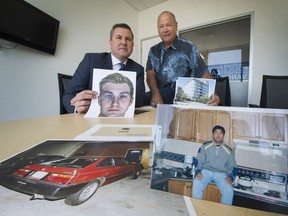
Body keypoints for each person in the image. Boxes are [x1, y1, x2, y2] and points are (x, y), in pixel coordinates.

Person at [63, 23, 145, 114]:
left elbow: (139, 99)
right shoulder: (91, 60)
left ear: (132, 45)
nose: (124, 42)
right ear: (110, 43)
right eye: (118, 38)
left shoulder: (138, 69)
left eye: (128, 39)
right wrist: (76, 108)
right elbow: (69, 95)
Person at [144, 11, 220, 107]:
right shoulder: (153, 50)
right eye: (161, 26)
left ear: (176, 26)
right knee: (137, 100)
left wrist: (213, 94)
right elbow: (150, 75)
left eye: (169, 25)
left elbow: (203, 73)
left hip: (182, 96)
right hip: (160, 93)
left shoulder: (188, 47)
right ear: (158, 29)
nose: (165, 29)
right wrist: (155, 94)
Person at [192, 125, 236, 205]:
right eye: (216, 133)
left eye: (221, 133)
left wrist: (230, 176)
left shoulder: (229, 151)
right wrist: (198, 171)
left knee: (229, 190)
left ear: (223, 135)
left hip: (221, 174)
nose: (218, 135)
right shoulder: (205, 146)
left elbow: (232, 166)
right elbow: (199, 160)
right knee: (196, 183)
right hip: (206, 171)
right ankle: (195, 209)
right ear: (213, 134)